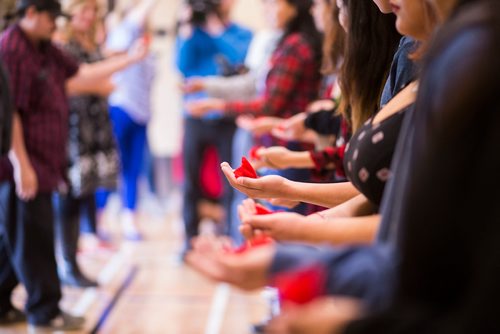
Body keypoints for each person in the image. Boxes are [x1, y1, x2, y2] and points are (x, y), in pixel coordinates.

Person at [0, 0, 147, 330]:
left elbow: (81, 74)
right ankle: (46, 311)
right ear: (32, 14)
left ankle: (1, 302)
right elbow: (10, 113)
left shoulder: (45, 47)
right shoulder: (11, 49)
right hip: (24, 165)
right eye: (51, 17)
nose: (56, 24)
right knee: (33, 239)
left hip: (46, 160)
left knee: (13, 239)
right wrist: (21, 163)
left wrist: (129, 59)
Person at [53, 0, 147, 288]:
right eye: (85, 10)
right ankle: (67, 261)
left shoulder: (91, 40)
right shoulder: (61, 42)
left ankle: (77, 253)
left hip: (94, 124)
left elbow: (98, 76)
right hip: (72, 126)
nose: (89, 16)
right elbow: (71, 83)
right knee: (69, 195)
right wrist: (119, 67)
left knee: (85, 193)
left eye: (94, 10)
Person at [175, 0, 253, 257]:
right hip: (196, 117)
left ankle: (232, 236)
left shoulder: (241, 33)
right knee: (190, 183)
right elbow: (182, 66)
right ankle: (189, 240)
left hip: (226, 117)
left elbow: (239, 59)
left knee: (232, 181)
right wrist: (187, 28)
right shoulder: (193, 32)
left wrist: (215, 28)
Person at [104, 0, 158, 240]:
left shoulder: (146, 45)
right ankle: (98, 218)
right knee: (113, 167)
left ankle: (129, 220)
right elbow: (137, 16)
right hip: (121, 109)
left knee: (134, 170)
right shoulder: (124, 32)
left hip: (141, 114)